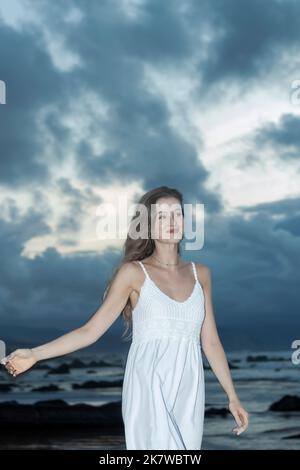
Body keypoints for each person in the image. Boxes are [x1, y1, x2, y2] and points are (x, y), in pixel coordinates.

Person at [1, 185, 249, 449]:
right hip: (148, 381)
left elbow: (210, 342)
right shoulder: (133, 273)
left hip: (189, 386)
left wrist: (232, 397)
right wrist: (36, 354)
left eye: (177, 214)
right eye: (162, 216)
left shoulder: (202, 274)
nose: (172, 222)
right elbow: (90, 331)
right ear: (148, 226)